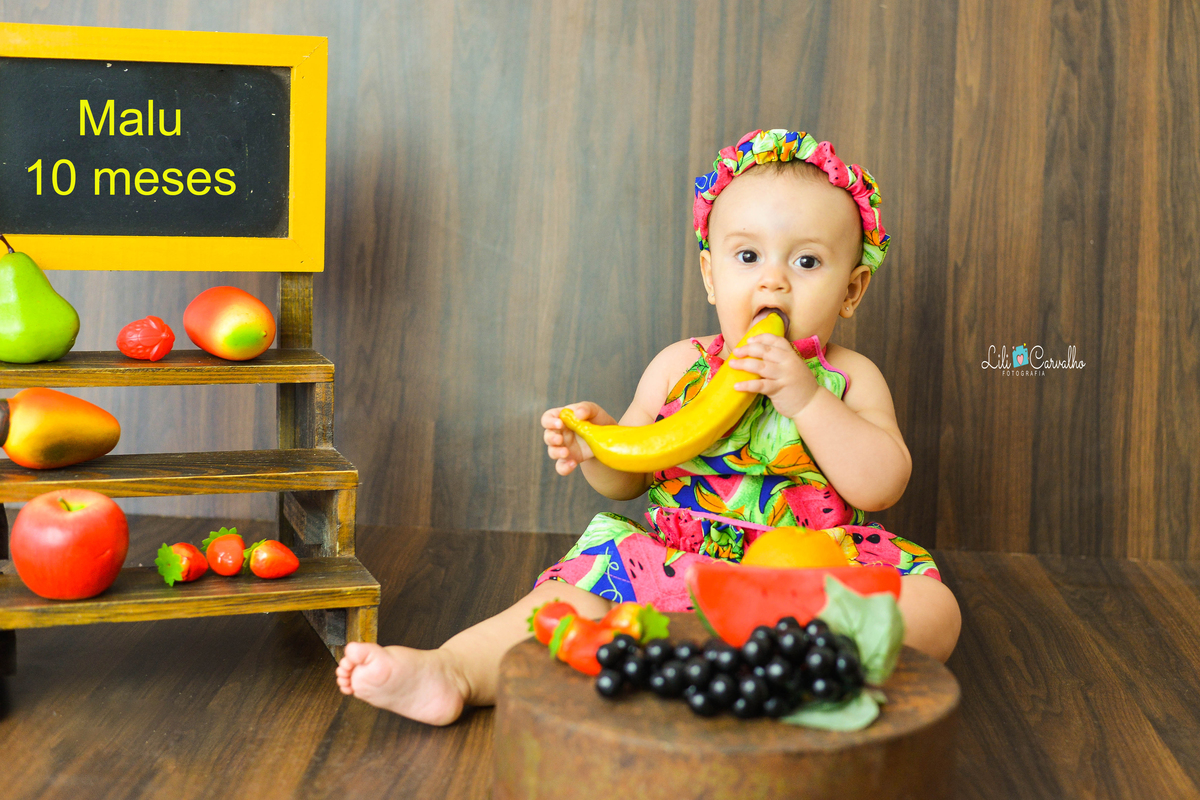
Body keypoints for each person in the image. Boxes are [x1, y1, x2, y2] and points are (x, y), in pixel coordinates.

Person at [336, 129, 961, 725]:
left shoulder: (850, 378)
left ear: (852, 289)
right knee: (566, 600)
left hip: (809, 580)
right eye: (747, 256)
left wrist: (806, 398)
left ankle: (804, 672)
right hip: (679, 570)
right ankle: (454, 671)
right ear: (712, 276)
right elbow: (630, 479)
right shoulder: (679, 366)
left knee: (936, 609)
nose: (773, 279)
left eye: (806, 260)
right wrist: (598, 446)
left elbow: (880, 486)